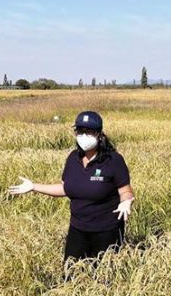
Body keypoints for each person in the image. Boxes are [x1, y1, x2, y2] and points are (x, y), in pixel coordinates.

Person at [8, 111, 134, 269]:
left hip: (106, 231)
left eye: (88, 131)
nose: (83, 135)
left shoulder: (113, 160)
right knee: (71, 273)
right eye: (80, 131)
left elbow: (125, 191)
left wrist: (126, 202)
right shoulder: (73, 158)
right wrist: (34, 186)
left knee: (103, 277)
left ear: (99, 134)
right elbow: (66, 188)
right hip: (78, 229)